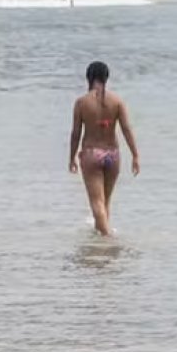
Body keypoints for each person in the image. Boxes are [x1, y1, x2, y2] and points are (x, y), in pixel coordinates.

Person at [68, 61, 140, 236]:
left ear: (89, 78)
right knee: (105, 201)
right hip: (112, 155)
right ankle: (100, 245)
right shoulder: (117, 101)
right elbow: (126, 129)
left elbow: (76, 132)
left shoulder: (81, 103)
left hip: (92, 154)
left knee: (96, 202)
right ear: (106, 78)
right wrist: (135, 155)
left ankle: (107, 239)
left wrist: (71, 158)